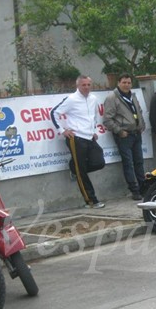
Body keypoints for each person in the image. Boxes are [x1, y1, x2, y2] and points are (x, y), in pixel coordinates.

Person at [51, 75, 106, 209]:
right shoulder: (71, 99)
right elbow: (54, 113)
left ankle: (73, 168)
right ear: (78, 86)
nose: (86, 87)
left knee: (99, 162)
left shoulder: (93, 99)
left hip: (89, 137)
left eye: (88, 85)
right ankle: (91, 200)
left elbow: (94, 116)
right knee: (81, 170)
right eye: (83, 85)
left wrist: (93, 130)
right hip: (76, 138)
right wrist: (62, 130)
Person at [103, 73, 146, 200]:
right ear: (118, 83)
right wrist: (119, 131)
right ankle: (134, 190)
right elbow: (107, 119)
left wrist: (141, 125)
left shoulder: (133, 95)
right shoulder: (112, 98)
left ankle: (143, 187)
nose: (126, 85)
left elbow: (139, 112)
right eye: (124, 82)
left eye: (129, 83)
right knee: (128, 163)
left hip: (136, 133)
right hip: (124, 135)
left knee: (139, 162)